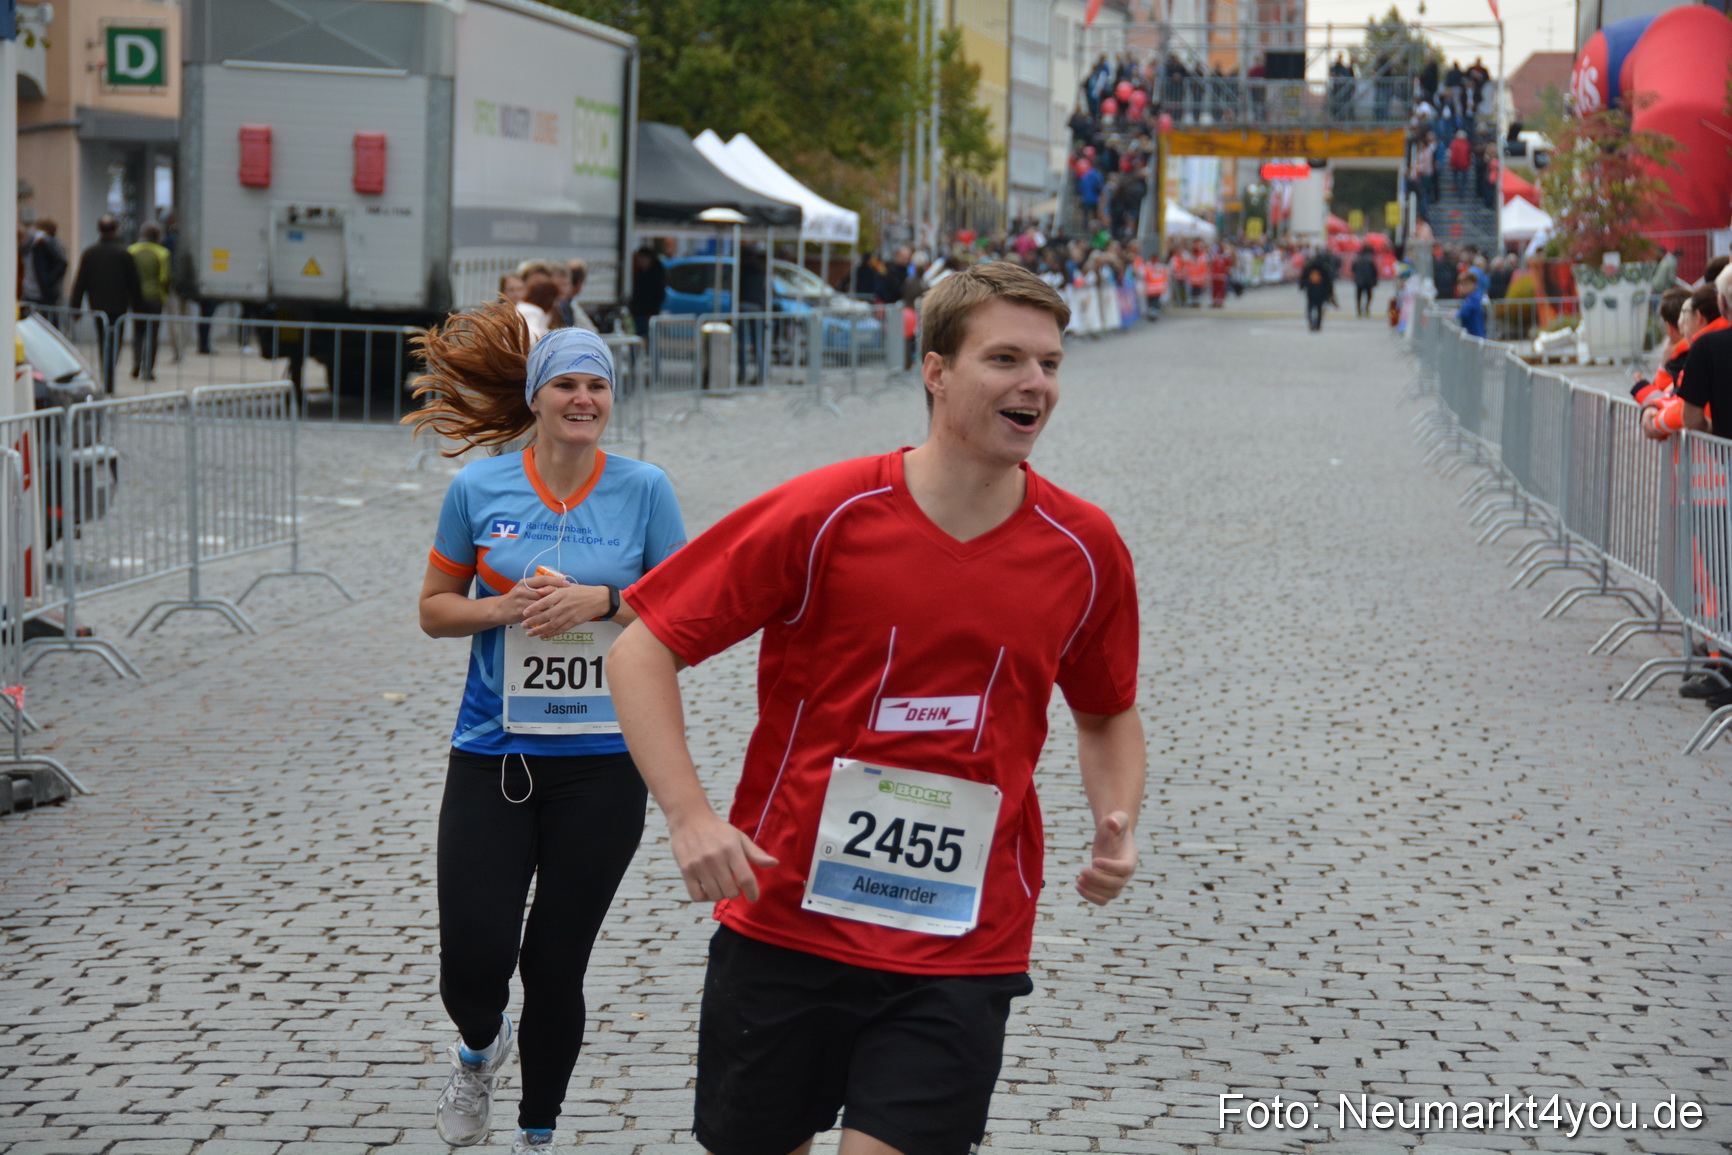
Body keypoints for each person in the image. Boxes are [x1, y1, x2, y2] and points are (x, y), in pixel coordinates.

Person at [606, 261, 1144, 1155]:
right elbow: (642, 644)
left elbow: (1105, 712)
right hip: (786, 920)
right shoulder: (826, 513)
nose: (1035, 384)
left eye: (1050, 363)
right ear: (935, 370)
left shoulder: (1083, 549)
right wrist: (690, 816)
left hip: (962, 943)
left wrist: (1115, 818)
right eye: (1005, 358)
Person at [409, 310, 687, 1155]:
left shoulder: (645, 488)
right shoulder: (479, 490)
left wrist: (602, 601)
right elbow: (432, 609)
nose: (583, 397)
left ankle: (538, 1132)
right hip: (493, 750)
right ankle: (477, 1046)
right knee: (474, 952)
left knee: (556, 961)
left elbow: (686, 600)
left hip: (605, 762)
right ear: (537, 398)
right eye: (567, 382)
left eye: (598, 384)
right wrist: (505, 607)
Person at [67, 215, 142, 393]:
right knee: (116, 340)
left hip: (98, 305)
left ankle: (107, 375)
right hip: (119, 306)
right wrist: (138, 307)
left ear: (99, 230)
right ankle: (109, 375)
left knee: (103, 340)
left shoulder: (90, 253)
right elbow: (134, 283)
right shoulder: (124, 253)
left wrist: (75, 307)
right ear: (115, 230)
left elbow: (80, 281)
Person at [128, 222, 172, 381]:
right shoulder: (162, 253)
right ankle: (148, 370)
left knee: (138, 332)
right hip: (155, 297)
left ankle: (136, 364)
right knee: (152, 334)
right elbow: (164, 277)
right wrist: (164, 293)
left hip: (136, 297)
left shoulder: (132, 250)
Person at [22, 219, 68, 311]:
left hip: (39, 293)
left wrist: (47, 282)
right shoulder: (47, 243)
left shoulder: (43, 243)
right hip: (36, 292)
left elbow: (61, 262)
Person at [628, 245, 666, 347]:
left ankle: (647, 356)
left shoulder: (656, 274)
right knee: (638, 336)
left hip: (649, 313)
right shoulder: (638, 272)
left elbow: (659, 294)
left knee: (648, 336)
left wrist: (652, 310)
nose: (640, 262)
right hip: (638, 311)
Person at [1301, 251, 1332, 332]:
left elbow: (1303, 276)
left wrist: (1302, 286)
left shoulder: (1309, 265)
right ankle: (1318, 325)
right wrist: (1329, 291)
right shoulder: (1324, 266)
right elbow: (1328, 279)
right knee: (1319, 308)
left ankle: (1311, 323)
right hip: (1320, 289)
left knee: (1310, 307)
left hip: (1311, 288)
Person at [1352, 243, 1379, 317]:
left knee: (1358, 296)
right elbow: (1375, 271)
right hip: (1368, 281)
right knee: (1369, 296)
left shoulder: (1357, 260)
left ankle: (1359, 310)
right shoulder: (1370, 260)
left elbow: (1353, 269)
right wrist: (1375, 280)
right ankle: (1366, 308)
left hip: (1359, 281)